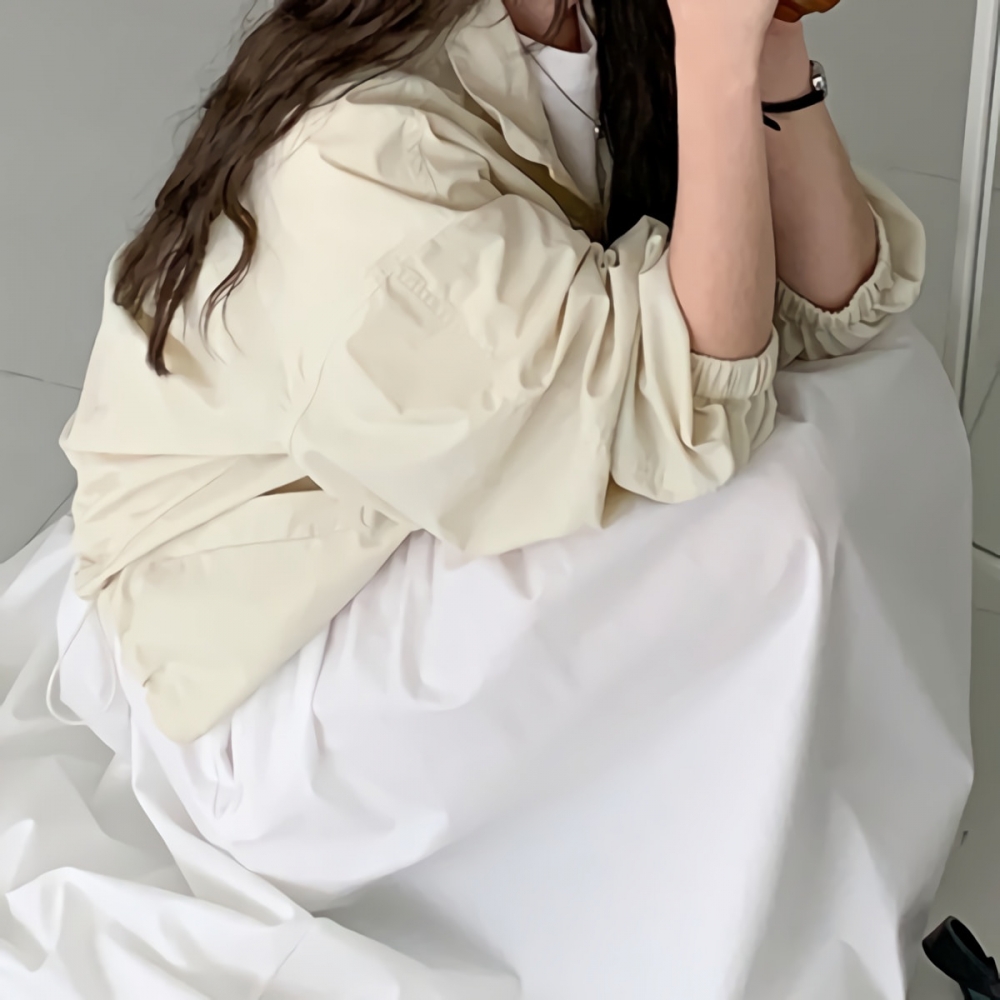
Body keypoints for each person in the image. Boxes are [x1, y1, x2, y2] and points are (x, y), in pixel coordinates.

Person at [59, 0, 920, 747]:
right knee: (762, 516)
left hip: (437, 455)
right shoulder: (352, 147)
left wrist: (767, 39)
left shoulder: (591, 17)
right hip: (274, 639)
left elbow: (832, 296)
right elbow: (691, 404)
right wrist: (715, 56)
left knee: (858, 405)